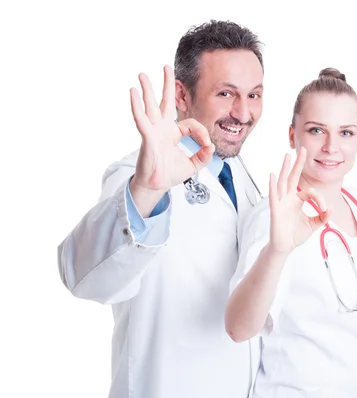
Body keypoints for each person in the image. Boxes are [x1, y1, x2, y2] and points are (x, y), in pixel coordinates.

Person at [57, 20, 266, 398]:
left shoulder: (244, 179)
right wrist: (146, 191)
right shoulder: (138, 176)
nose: (243, 112)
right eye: (226, 93)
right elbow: (83, 276)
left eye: (254, 95)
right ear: (182, 96)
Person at [225, 68, 357, 397]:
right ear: (293, 135)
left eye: (346, 133)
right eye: (316, 130)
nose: (331, 147)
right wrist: (278, 249)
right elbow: (239, 328)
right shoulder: (274, 215)